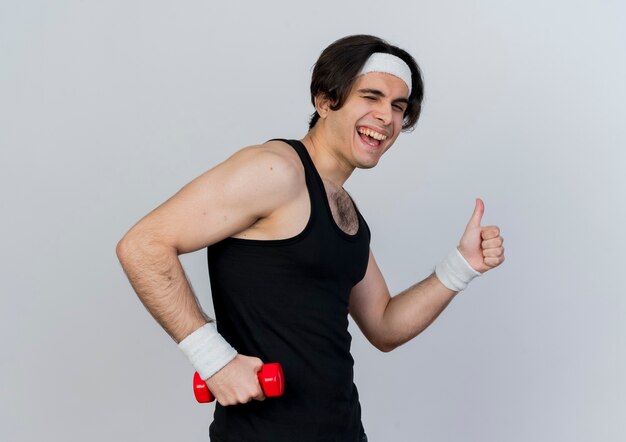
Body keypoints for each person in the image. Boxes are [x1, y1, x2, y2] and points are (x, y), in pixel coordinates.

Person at [116, 34, 505, 442]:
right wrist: (214, 360)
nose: (385, 117)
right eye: (370, 97)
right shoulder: (275, 171)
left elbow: (385, 325)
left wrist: (462, 266)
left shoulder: (346, 211)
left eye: (397, 106)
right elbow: (143, 245)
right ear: (324, 101)